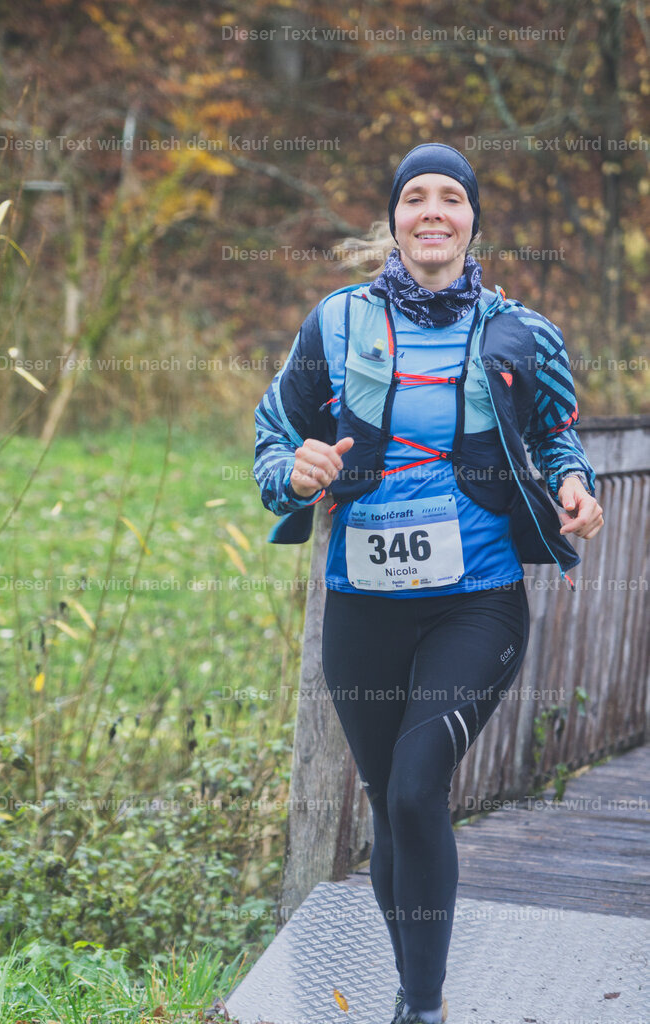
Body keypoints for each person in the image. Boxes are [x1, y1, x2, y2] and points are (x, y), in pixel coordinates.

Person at [252, 143, 603, 1024]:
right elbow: (273, 434)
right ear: (395, 220)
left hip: (476, 601)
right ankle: (418, 995)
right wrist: (290, 472)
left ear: (474, 219)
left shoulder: (522, 333)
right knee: (386, 805)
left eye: (452, 196)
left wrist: (575, 485)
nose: (434, 211)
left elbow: (560, 437)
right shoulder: (335, 325)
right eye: (416, 197)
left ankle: (421, 1006)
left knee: (416, 788)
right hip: (364, 608)